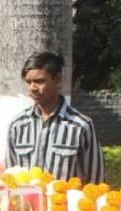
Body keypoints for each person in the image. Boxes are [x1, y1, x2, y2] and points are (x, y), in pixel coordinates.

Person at [6, 51, 105, 184]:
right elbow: (11, 178)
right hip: (27, 205)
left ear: (57, 79)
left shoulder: (80, 125)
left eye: (39, 81)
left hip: (63, 203)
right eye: (28, 82)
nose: (32, 88)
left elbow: (95, 180)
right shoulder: (17, 125)